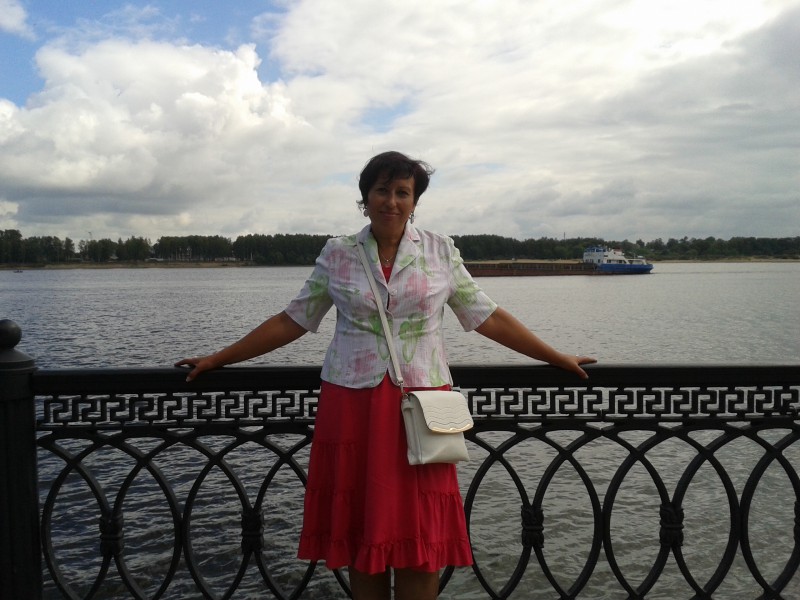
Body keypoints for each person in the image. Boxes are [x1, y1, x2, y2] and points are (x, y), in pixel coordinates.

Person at [175, 151, 596, 600]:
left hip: (422, 410)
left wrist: (555, 357)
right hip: (352, 406)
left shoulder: (439, 250)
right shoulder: (339, 253)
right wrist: (219, 359)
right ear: (365, 198)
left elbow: (486, 316)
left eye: (402, 192)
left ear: (414, 201)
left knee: (420, 540)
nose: (391, 201)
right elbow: (293, 320)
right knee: (362, 536)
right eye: (382, 190)